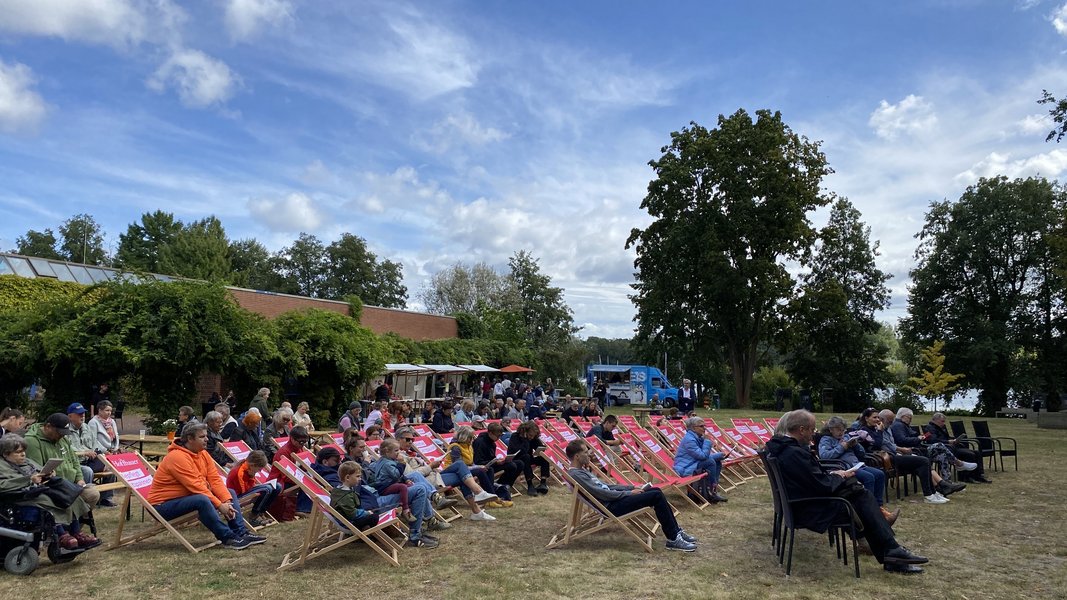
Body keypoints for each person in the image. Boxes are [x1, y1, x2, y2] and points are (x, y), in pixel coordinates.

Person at [765, 410, 930, 574]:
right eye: (812, 429)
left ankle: (892, 553)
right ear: (801, 430)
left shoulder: (785, 448)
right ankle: (892, 552)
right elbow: (821, 485)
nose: (814, 434)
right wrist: (841, 476)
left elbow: (811, 479)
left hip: (805, 501)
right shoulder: (793, 453)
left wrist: (834, 475)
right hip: (810, 508)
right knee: (860, 499)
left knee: (859, 496)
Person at [565, 439, 697, 552]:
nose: (589, 454)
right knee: (655, 496)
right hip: (611, 507)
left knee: (655, 491)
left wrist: (632, 487)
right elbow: (602, 493)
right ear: (577, 456)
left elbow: (607, 486)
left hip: (614, 500)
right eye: (585, 452)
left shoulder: (581, 471)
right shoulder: (576, 475)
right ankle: (673, 538)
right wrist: (628, 493)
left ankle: (676, 532)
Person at [148, 424, 266, 550]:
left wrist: (226, 501)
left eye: (206, 436)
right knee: (202, 499)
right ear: (190, 439)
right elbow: (196, 486)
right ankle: (228, 538)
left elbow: (214, 479)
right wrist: (220, 505)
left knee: (229, 492)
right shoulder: (177, 457)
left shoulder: (203, 453)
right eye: (202, 436)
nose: (207, 439)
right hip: (162, 506)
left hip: (186, 498)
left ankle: (241, 533)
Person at [0, 434, 99, 549]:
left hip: (39, 489)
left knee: (70, 495)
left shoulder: (26, 461)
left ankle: (76, 532)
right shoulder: (2, 466)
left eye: (23, 451)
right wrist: (28, 480)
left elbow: (40, 471)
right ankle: (62, 535)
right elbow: (3, 485)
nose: (23, 454)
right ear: (6, 453)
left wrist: (48, 474)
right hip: (20, 497)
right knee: (50, 500)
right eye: (18, 452)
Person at [817, 416, 896, 524]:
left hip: (856, 465)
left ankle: (879, 507)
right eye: (838, 429)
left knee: (880, 474)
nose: (841, 432)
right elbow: (824, 456)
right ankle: (869, 511)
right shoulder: (826, 440)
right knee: (869, 477)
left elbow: (862, 454)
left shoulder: (846, 437)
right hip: (844, 468)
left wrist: (856, 445)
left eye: (843, 429)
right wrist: (842, 447)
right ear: (831, 429)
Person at [870, 410, 957, 503]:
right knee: (923, 461)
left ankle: (934, 492)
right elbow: (885, 444)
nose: (891, 422)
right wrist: (901, 449)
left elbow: (892, 443)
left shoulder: (888, 428)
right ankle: (930, 494)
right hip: (888, 457)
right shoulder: (879, 429)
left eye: (892, 420)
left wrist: (904, 448)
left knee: (924, 461)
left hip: (896, 454)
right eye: (890, 421)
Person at [367, 439, 436, 547]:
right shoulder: (387, 463)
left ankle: (428, 514)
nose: (398, 453)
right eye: (396, 451)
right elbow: (395, 475)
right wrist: (402, 463)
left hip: (382, 489)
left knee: (416, 483)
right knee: (418, 488)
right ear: (386, 451)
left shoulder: (383, 460)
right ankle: (413, 524)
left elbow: (396, 475)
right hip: (381, 492)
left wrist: (405, 478)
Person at [24, 413, 100, 509]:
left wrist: (79, 479)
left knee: (92, 493)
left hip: (70, 484)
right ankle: (73, 519)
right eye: (59, 432)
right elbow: (37, 470)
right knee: (87, 495)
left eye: (64, 433)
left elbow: (74, 460)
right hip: (53, 487)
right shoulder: (32, 441)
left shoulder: (62, 439)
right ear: (48, 427)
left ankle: (77, 519)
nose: (62, 436)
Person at [890, 408, 976, 484]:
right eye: (910, 418)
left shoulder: (903, 425)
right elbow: (902, 440)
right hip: (913, 452)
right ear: (903, 416)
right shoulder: (898, 425)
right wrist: (918, 438)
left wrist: (920, 437)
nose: (911, 420)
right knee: (939, 445)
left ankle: (947, 482)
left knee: (943, 456)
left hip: (918, 449)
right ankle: (958, 463)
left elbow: (908, 438)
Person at [441, 425, 500, 520]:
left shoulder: (469, 447)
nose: (473, 439)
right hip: (449, 472)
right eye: (471, 437)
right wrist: (477, 467)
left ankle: (477, 512)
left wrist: (478, 466)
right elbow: (458, 466)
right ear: (464, 437)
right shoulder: (455, 447)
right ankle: (482, 493)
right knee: (467, 467)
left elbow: (470, 463)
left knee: (471, 476)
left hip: (461, 474)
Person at [66, 402, 117, 507]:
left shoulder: (85, 427)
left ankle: (105, 498)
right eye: (79, 414)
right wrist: (84, 452)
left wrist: (105, 451)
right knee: (87, 471)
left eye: (83, 414)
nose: (82, 416)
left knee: (111, 466)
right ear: (70, 416)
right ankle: (85, 501)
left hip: (91, 460)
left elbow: (95, 443)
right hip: (77, 462)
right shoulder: (65, 431)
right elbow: (68, 451)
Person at [673, 416, 728, 503]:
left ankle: (713, 490)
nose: (704, 428)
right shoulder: (689, 440)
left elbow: (701, 456)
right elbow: (702, 456)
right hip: (685, 468)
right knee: (710, 462)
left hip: (692, 463)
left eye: (704, 426)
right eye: (701, 426)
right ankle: (711, 494)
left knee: (718, 459)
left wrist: (720, 454)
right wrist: (707, 441)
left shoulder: (696, 437)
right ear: (694, 428)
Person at [925, 413, 991, 484]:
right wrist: (948, 441)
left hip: (951, 447)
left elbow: (946, 437)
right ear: (936, 420)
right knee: (969, 454)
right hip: (944, 449)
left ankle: (979, 475)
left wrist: (955, 440)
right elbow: (932, 440)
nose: (944, 423)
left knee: (977, 453)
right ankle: (966, 477)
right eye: (942, 421)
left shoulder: (941, 428)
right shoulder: (929, 428)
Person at [224, 450, 278, 527]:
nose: (259, 471)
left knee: (277, 486)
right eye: (259, 469)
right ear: (252, 465)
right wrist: (251, 477)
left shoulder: (248, 469)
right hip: (237, 496)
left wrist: (252, 478)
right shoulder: (239, 472)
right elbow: (243, 490)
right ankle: (254, 517)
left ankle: (261, 512)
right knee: (266, 489)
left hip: (244, 492)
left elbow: (251, 486)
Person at [472, 423, 519, 506]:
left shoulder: (492, 442)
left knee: (514, 465)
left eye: (500, 436)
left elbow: (492, 457)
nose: (498, 438)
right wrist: (494, 461)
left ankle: (502, 486)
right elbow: (477, 461)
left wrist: (498, 461)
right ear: (490, 433)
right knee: (490, 470)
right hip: (481, 466)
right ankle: (493, 493)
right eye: (497, 436)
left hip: (490, 464)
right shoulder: (480, 442)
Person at [330, 461, 379, 530]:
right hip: (350, 522)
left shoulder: (342, 490)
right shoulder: (345, 496)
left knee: (371, 512)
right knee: (374, 517)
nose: (360, 479)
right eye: (358, 476)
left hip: (350, 519)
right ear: (347, 478)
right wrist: (366, 513)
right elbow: (352, 514)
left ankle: (365, 527)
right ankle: (364, 529)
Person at [507, 420, 550, 496]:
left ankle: (543, 482)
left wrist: (540, 447)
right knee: (526, 457)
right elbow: (522, 451)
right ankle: (530, 485)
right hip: (517, 460)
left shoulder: (532, 438)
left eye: (533, 436)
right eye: (530, 435)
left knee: (544, 457)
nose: (531, 437)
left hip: (528, 459)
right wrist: (525, 439)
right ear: (524, 431)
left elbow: (539, 447)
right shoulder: (515, 437)